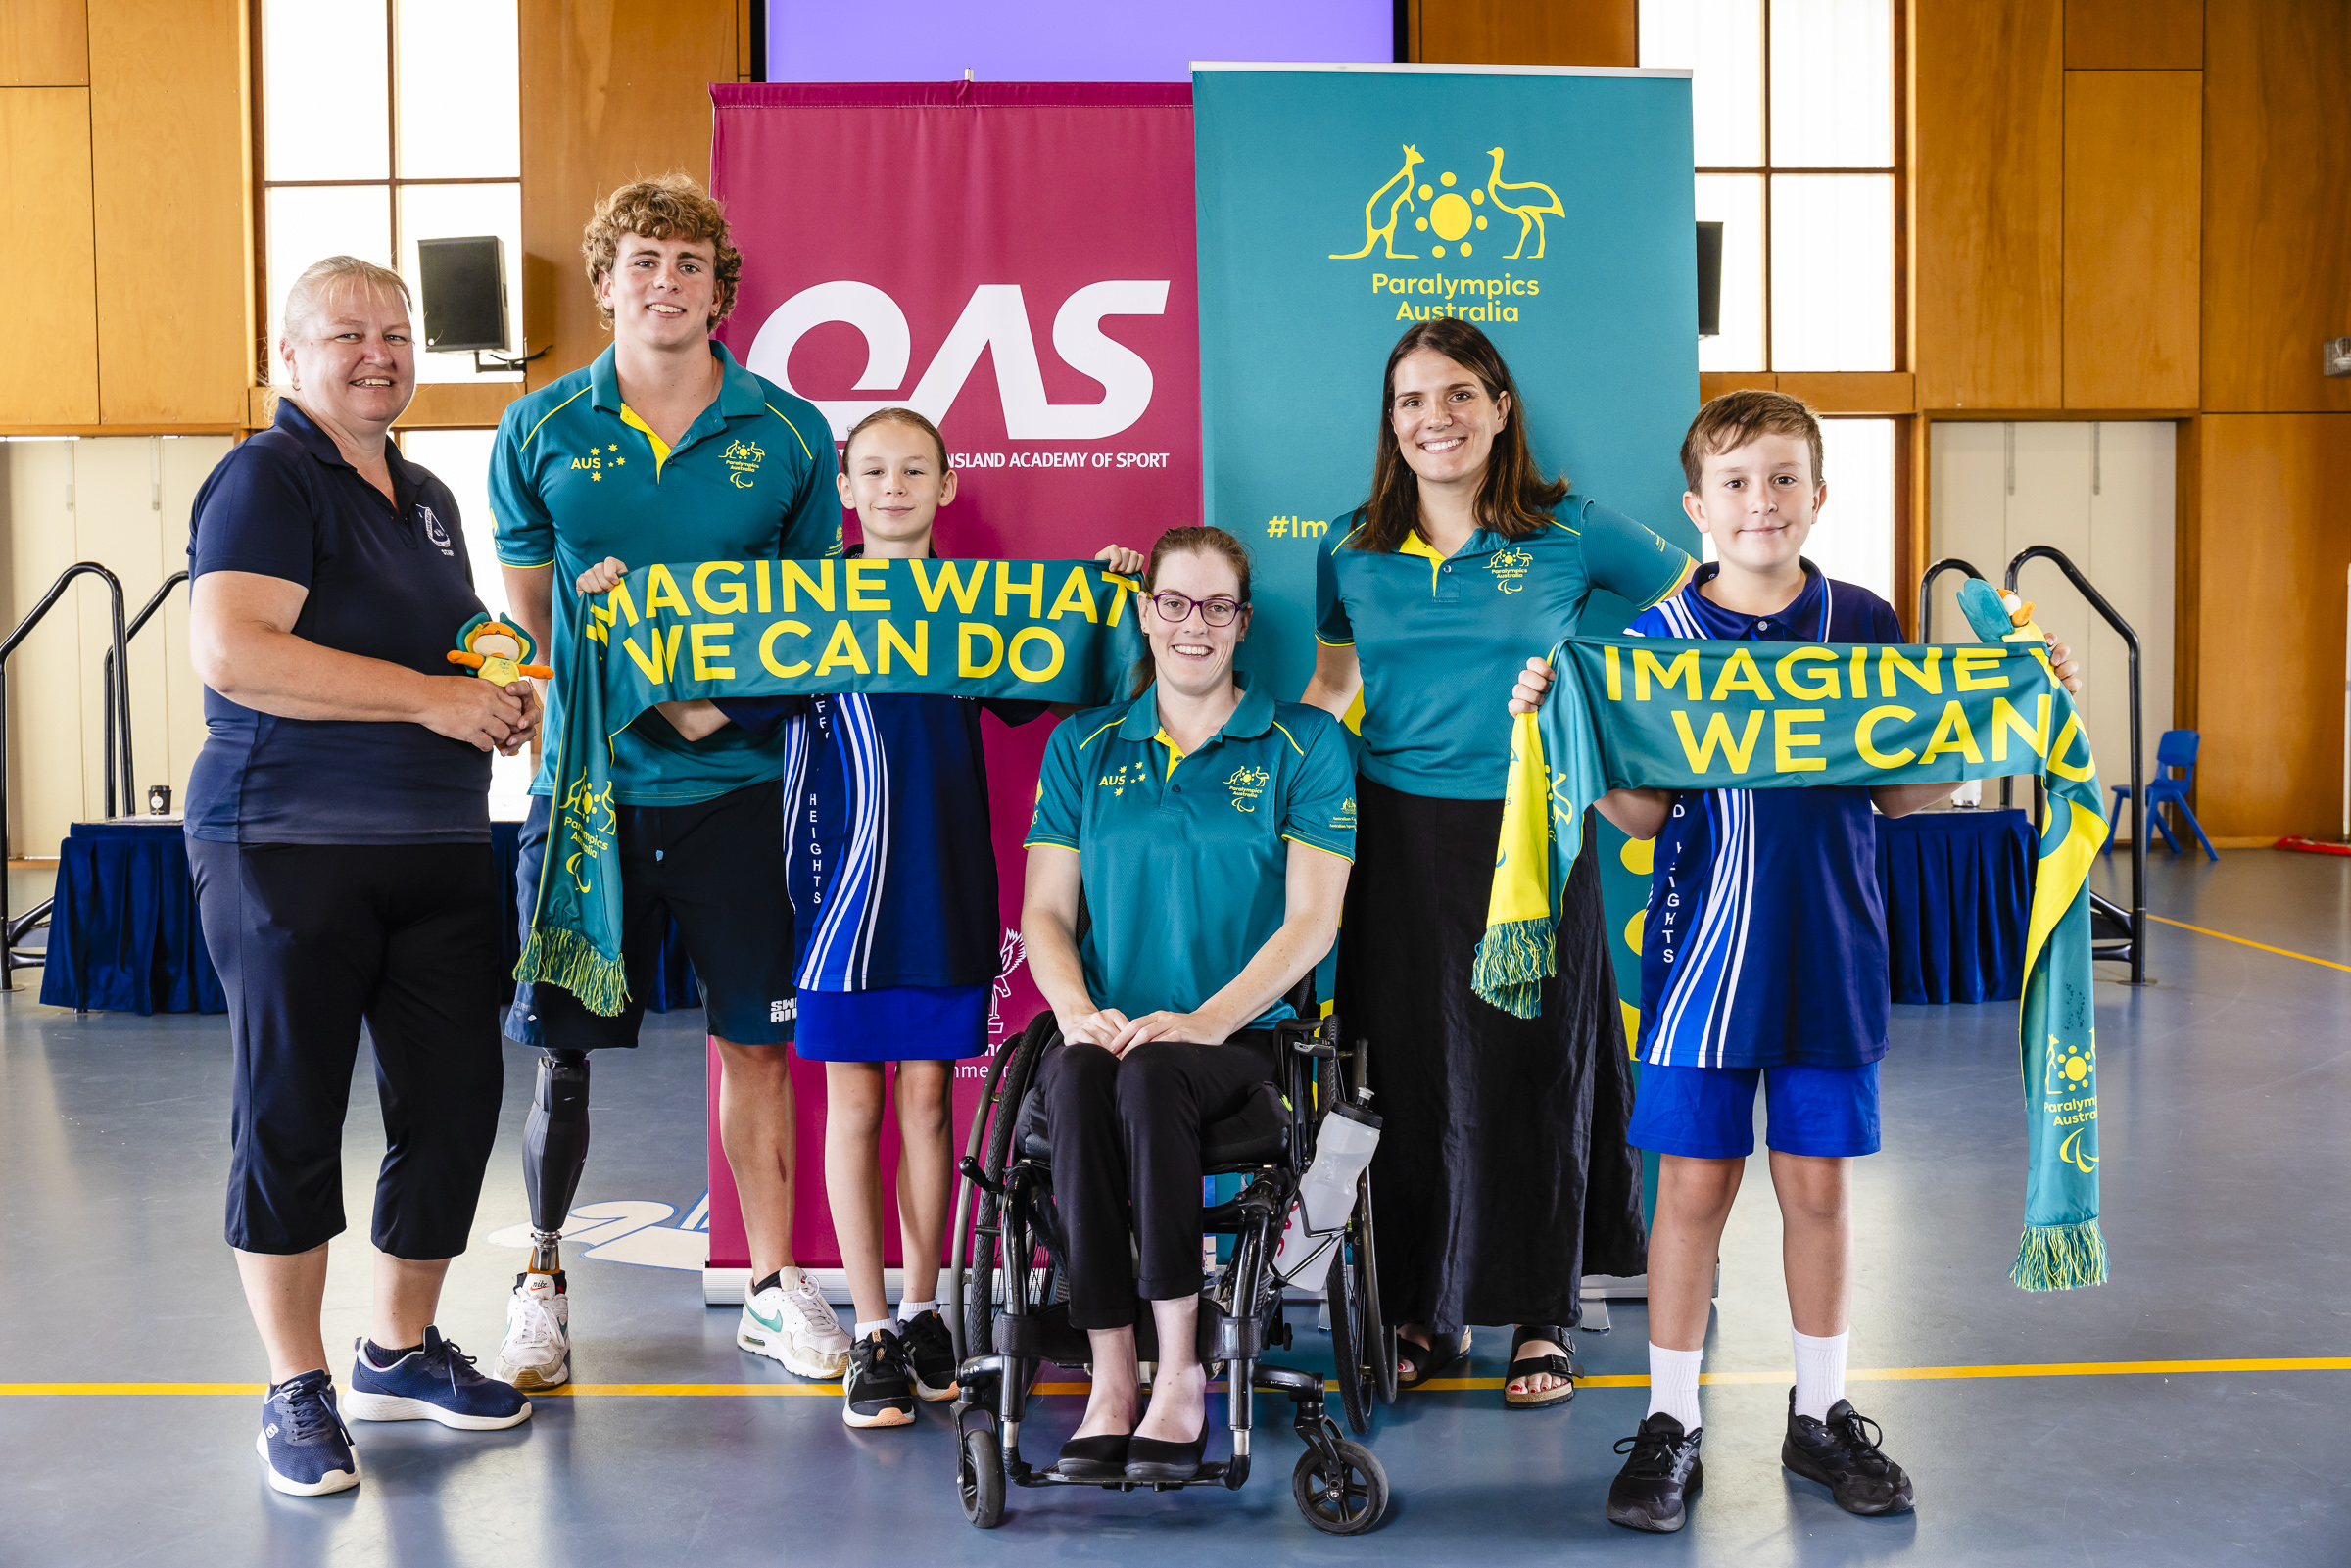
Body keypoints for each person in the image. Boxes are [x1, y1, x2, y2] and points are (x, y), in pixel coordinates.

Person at [1509, 390, 2082, 1531]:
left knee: (1817, 1187)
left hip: (1831, 951)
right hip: (1698, 962)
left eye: (1782, 479)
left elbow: (1896, 784)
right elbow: (1635, 813)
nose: (1759, 501)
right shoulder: (1654, 639)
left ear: (1819, 495)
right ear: (1696, 506)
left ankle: (1818, 1413)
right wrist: (1555, 731)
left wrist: (2013, 710)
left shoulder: (1865, 622)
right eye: (1735, 482)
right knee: (1693, 1188)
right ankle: (1672, 1421)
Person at [575, 407, 1144, 1429]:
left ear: (947, 484)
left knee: (930, 1105)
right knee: (854, 1106)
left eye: (913, 469)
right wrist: (616, 627)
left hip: (946, 885)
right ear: (845, 489)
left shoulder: (982, 607)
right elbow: (702, 710)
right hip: (835, 893)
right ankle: (871, 1326)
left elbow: (1075, 682)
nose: (892, 486)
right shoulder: (800, 607)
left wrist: (1116, 596)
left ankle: (927, 1310)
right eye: (873, 469)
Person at [186, 256, 539, 1497]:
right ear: (293, 356)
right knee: (288, 1115)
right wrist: (438, 698)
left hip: (437, 850)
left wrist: (497, 701)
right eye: (347, 334)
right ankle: (295, 1384)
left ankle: (396, 1349)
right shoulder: (269, 477)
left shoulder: (431, 493)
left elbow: (448, 657)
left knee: (451, 1110)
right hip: (286, 844)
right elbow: (236, 652)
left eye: (395, 333)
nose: (378, 352)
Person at [487, 174, 846, 1391]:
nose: (666, 281)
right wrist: (601, 679)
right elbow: (531, 622)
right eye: (642, 260)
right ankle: (540, 1280)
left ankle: (773, 1285)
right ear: (605, 283)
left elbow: (810, 629)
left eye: (689, 263)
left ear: (720, 287)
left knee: (756, 1044)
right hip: (587, 796)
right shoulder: (538, 426)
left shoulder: (792, 431)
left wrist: (696, 701)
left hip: (738, 789)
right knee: (562, 1052)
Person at [1301, 318, 1695, 1408]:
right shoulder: (1347, 547)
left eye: (1461, 394)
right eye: (1415, 400)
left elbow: (1706, 602)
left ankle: (1541, 1313)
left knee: (1534, 1075)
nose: (1439, 418)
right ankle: (1424, 1303)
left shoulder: (1571, 530)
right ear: (1392, 421)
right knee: (1407, 1077)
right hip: (1393, 839)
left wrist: (1619, 713)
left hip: (1534, 832)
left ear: (1501, 404)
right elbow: (1332, 690)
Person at [1022, 526, 1356, 1483]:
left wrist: (1205, 1019)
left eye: (1216, 605)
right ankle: (1113, 1374)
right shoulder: (1083, 743)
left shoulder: (1307, 742)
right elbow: (1045, 910)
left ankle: (1181, 1373)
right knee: (1084, 1071)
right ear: (1146, 612)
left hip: (1243, 1045)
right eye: (1174, 601)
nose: (1194, 623)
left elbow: (1311, 924)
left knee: (1153, 1072)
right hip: (1115, 1029)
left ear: (1244, 622)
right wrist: (1079, 1008)